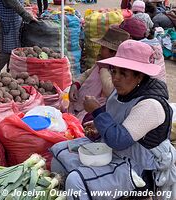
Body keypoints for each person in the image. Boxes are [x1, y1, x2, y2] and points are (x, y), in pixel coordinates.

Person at [50, 40, 176, 200]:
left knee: (77, 180)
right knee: (60, 153)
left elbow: (119, 139)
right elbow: (119, 122)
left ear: (140, 76)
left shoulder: (150, 105)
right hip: (115, 151)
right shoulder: (120, 93)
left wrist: (97, 112)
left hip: (140, 167)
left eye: (123, 73)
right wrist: (98, 125)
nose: (115, 78)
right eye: (114, 71)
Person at [68, 26, 130, 123]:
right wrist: (75, 85)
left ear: (113, 52)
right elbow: (86, 74)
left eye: (103, 48)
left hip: (96, 110)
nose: (100, 50)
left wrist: (103, 68)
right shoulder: (101, 62)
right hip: (80, 104)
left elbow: (110, 91)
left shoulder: (119, 71)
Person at [0, 0, 37, 75]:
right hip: (2, 23)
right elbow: (14, 3)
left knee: (13, 51)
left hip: (13, 23)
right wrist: (28, 16)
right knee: (6, 51)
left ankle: (9, 73)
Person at [119, 17, 166, 82]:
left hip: (145, 89)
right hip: (159, 87)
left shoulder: (137, 49)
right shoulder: (154, 43)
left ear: (129, 38)